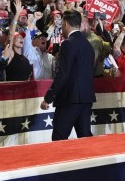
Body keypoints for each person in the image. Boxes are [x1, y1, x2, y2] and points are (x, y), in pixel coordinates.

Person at [40, 10, 96, 140]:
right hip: (86, 98)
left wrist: (48, 98)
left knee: (59, 139)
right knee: (85, 137)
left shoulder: (68, 43)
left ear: (65, 24)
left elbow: (63, 73)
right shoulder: (88, 45)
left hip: (70, 99)